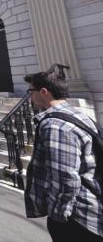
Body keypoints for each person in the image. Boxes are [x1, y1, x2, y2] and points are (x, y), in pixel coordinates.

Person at [24, 69, 103, 241]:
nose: (30, 97)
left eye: (31, 91)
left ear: (43, 92)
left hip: (77, 219)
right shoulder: (80, 116)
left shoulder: (55, 125)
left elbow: (65, 178)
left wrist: (58, 216)